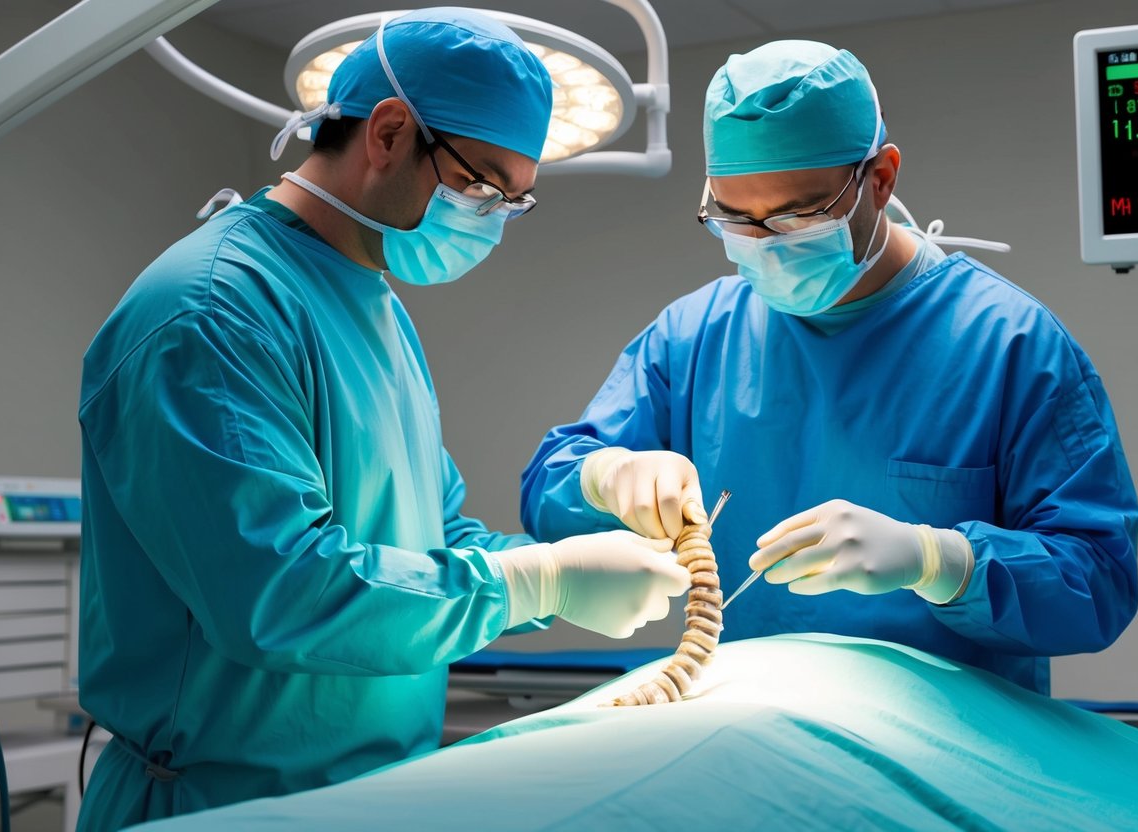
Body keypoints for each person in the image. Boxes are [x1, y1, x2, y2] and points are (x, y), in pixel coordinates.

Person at [77, 9, 689, 829]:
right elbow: (282, 592)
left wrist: (564, 570)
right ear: (391, 133)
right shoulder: (213, 312)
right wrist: (536, 583)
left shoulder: (376, 309)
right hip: (223, 802)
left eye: (517, 200)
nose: (495, 218)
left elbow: (431, 544)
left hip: (372, 792)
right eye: (484, 187)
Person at [521, 40, 1138, 696]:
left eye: (799, 216)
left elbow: (1096, 583)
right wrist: (605, 476)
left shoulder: (1008, 344)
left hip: (948, 754)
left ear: (880, 178)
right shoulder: (694, 335)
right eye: (734, 218)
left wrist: (940, 561)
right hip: (756, 733)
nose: (765, 245)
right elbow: (548, 493)